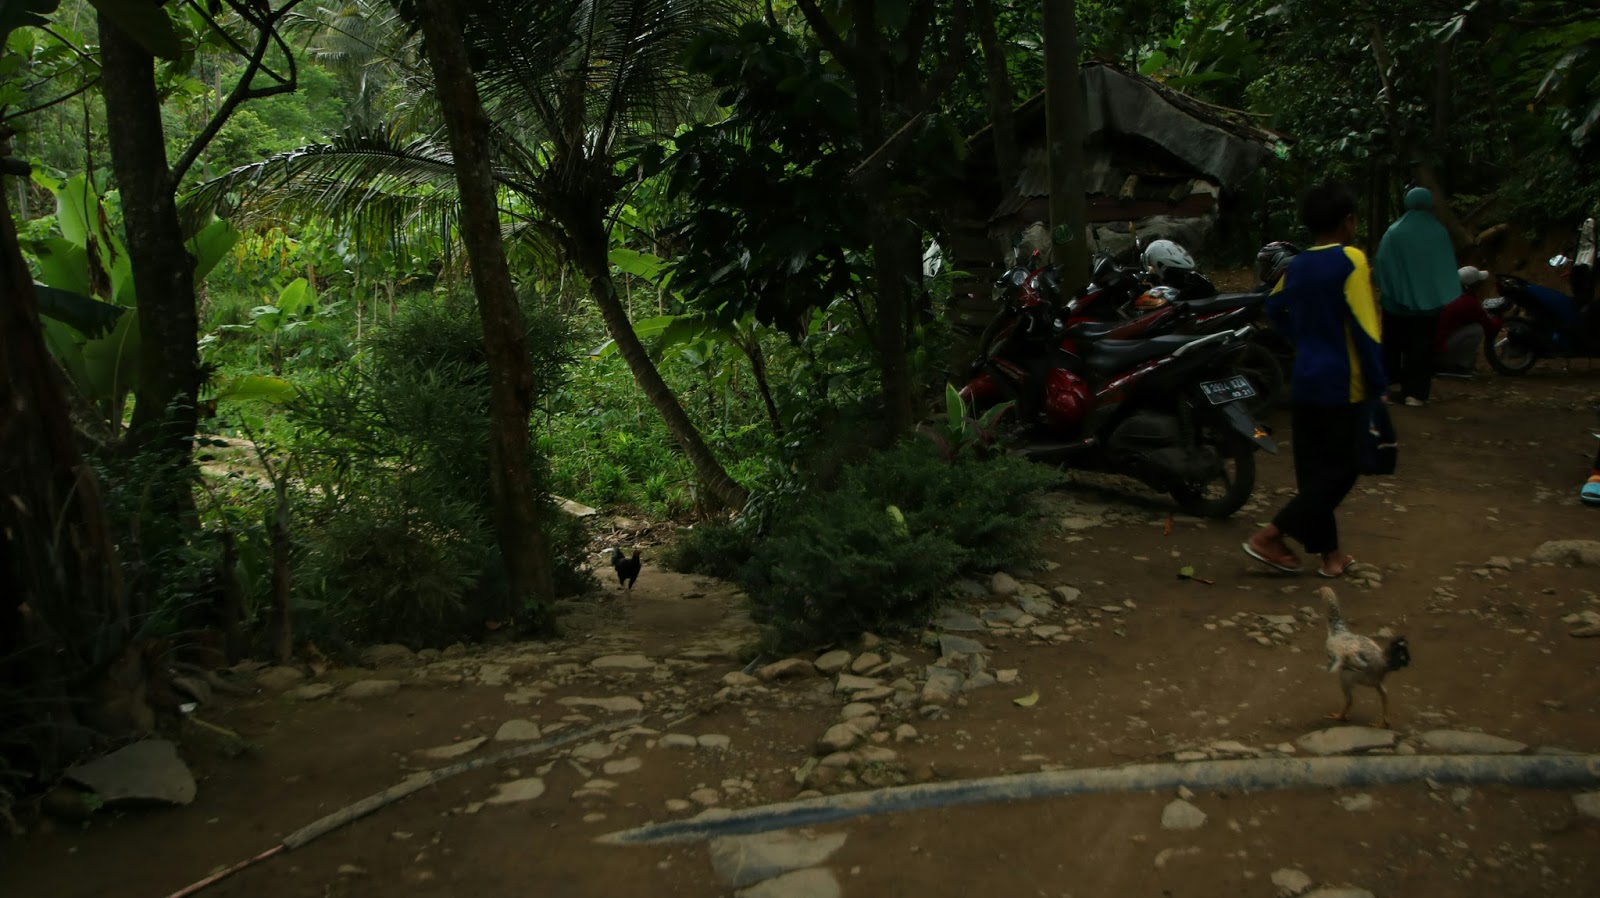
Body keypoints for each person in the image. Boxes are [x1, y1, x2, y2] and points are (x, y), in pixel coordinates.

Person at [1243, 182, 1385, 578]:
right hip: (1343, 382)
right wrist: (1379, 382)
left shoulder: (1300, 264)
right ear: (1349, 221)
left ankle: (1331, 557)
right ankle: (1271, 534)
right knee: (1345, 467)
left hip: (1305, 378)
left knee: (1315, 472)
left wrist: (1302, 338)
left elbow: (1274, 305)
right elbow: (1364, 327)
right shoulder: (1350, 260)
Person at [1376, 187, 1458, 406]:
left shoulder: (1394, 232)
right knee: (1422, 347)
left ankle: (1387, 388)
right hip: (1429, 306)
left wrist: (1392, 290)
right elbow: (1446, 266)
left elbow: (1382, 265)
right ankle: (1416, 394)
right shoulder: (1439, 232)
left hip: (1396, 303)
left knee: (1392, 345)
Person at [1435, 266, 1499, 376]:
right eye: (1479, 282)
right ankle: (1460, 366)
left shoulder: (1448, 294)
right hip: (1438, 353)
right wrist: (1498, 317)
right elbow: (1490, 327)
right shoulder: (1468, 302)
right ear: (1473, 285)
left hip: (1431, 348)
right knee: (1476, 329)